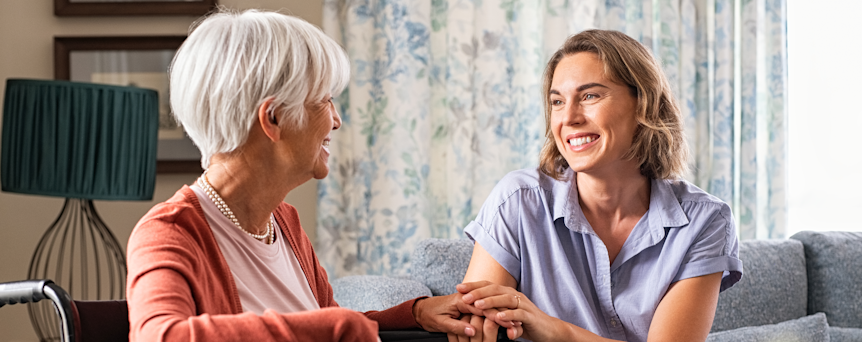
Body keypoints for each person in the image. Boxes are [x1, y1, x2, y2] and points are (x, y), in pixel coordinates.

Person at [126, 9, 480, 342]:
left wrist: (415, 312)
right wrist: (336, 325)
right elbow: (161, 336)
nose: (336, 120)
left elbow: (322, 320)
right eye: (325, 101)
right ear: (274, 118)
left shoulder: (283, 222)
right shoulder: (169, 233)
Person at [449, 30, 743, 342]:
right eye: (558, 102)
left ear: (644, 104)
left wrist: (555, 330)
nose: (569, 118)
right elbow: (477, 327)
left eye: (590, 96)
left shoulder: (705, 222)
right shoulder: (518, 201)